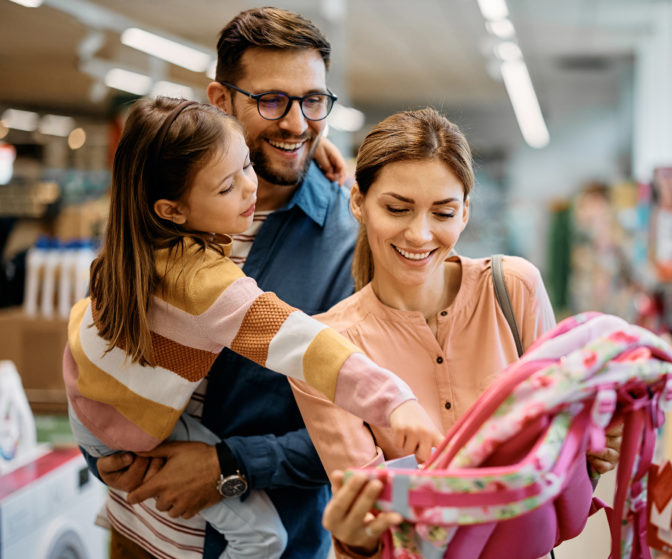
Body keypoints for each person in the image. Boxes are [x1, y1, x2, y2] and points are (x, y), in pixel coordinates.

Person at [67, 97, 442, 559]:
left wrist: (316, 152)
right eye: (228, 185)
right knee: (264, 538)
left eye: (247, 164)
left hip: (91, 402)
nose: (251, 187)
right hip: (127, 439)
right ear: (173, 209)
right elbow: (307, 346)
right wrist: (395, 400)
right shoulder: (206, 283)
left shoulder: (133, 242)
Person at [288, 107, 622, 558]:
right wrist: (359, 539)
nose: (420, 234)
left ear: (465, 212)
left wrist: (589, 449)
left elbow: (558, 459)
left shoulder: (514, 289)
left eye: (442, 212)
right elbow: (373, 523)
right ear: (358, 202)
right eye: (397, 208)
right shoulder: (329, 350)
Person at [90, 8, 363, 559]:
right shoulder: (161, 208)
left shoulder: (349, 241)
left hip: (260, 539)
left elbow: (366, 428)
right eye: (271, 100)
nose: (296, 123)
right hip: (137, 532)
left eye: (312, 100)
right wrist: (100, 448)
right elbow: (105, 338)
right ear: (220, 100)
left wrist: (230, 465)